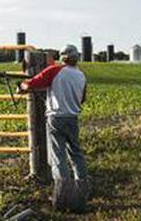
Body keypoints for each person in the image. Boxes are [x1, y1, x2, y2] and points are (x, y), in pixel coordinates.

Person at [19, 45, 89, 197]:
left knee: (58, 156)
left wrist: (21, 86)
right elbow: (82, 98)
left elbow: (31, 83)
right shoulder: (81, 75)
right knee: (76, 153)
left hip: (56, 118)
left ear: (63, 58)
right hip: (72, 118)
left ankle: (64, 193)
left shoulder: (55, 70)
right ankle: (83, 189)